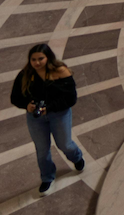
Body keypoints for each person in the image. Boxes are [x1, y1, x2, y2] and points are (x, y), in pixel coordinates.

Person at [10, 43, 84, 195]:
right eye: (33, 59)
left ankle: (76, 157)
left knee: (65, 144)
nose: (37, 63)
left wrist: (49, 108)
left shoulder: (61, 71)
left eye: (40, 59)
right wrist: (27, 105)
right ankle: (47, 177)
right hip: (35, 118)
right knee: (42, 150)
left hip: (59, 114)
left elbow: (70, 98)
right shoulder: (25, 75)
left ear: (48, 57)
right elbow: (15, 97)